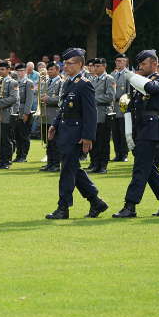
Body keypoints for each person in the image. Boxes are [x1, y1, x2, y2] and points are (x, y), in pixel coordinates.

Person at [113, 50, 159, 218]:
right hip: (140, 129)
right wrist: (129, 134)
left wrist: (130, 75)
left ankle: (130, 206)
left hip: (150, 130)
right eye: (140, 65)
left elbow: (150, 88)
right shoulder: (139, 83)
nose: (141, 67)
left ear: (154, 64)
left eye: (144, 64)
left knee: (140, 169)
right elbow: (130, 108)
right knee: (149, 170)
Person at [45, 48, 108, 220]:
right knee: (73, 169)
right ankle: (96, 201)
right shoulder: (68, 82)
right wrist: (55, 125)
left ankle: (63, 207)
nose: (66, 66)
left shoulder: (84, 84)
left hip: (76, 134)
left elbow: (90, 113)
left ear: (80, 64)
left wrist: (88, 137)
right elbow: (63, 107)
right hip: (65, 132)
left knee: (67, 171)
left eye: (70, 63)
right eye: (65, 63)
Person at [87, 58, 115, 174]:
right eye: (95, 66)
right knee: (94, 141)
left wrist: (93, 99)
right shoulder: (92, 79)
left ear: (104, 66)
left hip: (103, 113)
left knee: (103, 141)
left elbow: (110, 96)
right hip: (93, 114)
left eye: (98, 66)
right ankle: (94, 163)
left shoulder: (109, 79)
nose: (96, 68)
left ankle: (103, 165)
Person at [0, 60, 19, 169]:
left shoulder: (12, 82)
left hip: (7, 113)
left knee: (6, 138)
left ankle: (7, 161)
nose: (0, 71)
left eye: (3, 69)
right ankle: (0, 160)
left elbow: (13, 98)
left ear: (8, 70)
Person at [40, 62, 64, 172]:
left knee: (55, 141)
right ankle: (50, 163)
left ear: (58, 70)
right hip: (45, 114)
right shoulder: (45, 82)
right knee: (48, 142)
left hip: (55, 115)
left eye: (51, 69)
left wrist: (48, 99)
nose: (49, 71)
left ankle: (56, 164)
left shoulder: (61, 82)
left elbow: (61, 99)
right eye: (48, 69)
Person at [11, 63, 35, 162]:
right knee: (16, 134)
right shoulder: (15, 82)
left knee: (24, 135)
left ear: (25, 71)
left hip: (23, 111)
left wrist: (26, 113)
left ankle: (23, 155)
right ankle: (18, 155)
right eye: (18, 71)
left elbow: (29, 100)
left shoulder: (28, 83)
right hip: (15, 111)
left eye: (22, 71)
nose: (20, 73)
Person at [111, 54, 130, 162]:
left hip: (123, 106)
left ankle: (124, 154)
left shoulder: (128, 75)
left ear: (125, 62)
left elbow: (128, 93)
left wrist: (126, 108)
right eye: (117, 61)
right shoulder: (112, 74)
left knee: (123, 132)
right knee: (115, 133)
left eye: (121, 61)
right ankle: (117, 153)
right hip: (113, 107)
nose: (118, 63)